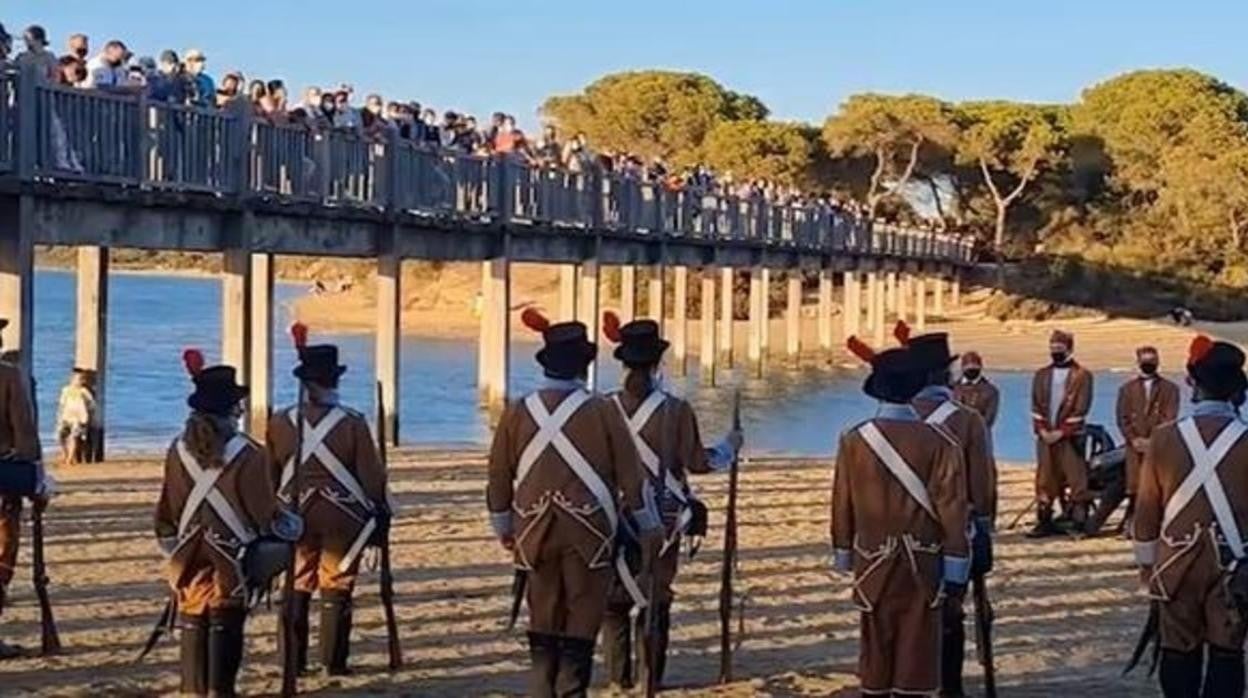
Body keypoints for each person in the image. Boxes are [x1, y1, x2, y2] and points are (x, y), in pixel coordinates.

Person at [486, 309, 659, 697]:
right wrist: (648, 525)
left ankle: (542, 688)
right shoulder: (603, 410)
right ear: (584, 365)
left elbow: (498, 475)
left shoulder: (517, 410)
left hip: (532, 527)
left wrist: (503, 527)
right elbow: (631, 478)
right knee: (583, 612)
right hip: (590, 530)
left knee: (543, 611)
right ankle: (571, 691)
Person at [598, 314, 744, 690]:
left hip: (613, 513)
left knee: (615, 600)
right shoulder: (676, 410)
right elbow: (699, 462)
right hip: (663, 516)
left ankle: (619, 679)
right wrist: (730, 446)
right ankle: (651, 678)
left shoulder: (603, 407)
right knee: (656, 598)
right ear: (657, 363)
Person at [833, 336, 970, 697]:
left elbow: (842, 503)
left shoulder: (853, 439)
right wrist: (957, 567)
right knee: (918, 648)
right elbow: (952, 510)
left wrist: (844, 551)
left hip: (871, 557)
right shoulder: (941, 442)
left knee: (875, 645)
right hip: (923, 561)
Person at [154, 351, 292, 696]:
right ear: (232, 410)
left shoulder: (176, 449)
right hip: (231, 554)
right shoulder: (250, 453)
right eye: (238, 406)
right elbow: (263, 514)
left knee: (193, 608)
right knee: (226, 612)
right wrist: (287, 521)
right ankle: (220, 690)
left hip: (187, 551)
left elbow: (166, 511)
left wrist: (174, 546)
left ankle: (192, 689)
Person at [266, 329, 388, 677]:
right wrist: (380, 511)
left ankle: (292, 661)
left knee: (297, 581)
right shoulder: (353, 422)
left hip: (294, 513)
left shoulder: (279, 422)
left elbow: (269, 475)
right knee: (337, 582)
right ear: (333, 381)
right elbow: (371, 477)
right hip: (343, 515)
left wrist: (271, 515)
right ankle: (333, 663)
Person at [1134, 336, 1248, 697]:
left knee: (1178, 652)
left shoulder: (1164, 438)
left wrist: (1146, 566)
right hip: (1233, 564)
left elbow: (1147, 509)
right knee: (1226, 653)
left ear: (1195, 385)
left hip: (1175, 561)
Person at [904, 330, 995, 697]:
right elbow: (983, 483)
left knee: (908, 611)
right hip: (954, 530)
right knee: (949, 612)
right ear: (944, 375)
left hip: (902, 530)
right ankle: (949, 687)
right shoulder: (968, 420)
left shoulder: (895, 419)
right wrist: (984, 527)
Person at [0, 318, 43, 660]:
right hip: (1, 486)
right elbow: (25, 434)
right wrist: (37, 481)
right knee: (1, 557)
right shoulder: (9, 376)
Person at [1028, 330, 1094, 538]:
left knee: (1076, 477)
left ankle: (1077, 521)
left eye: (1060, 347)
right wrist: (1043, 430)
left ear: (1069, 348)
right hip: (1046, 436)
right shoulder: (1041, 375)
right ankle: (1044, 520)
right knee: (1045, 477)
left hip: (1070, 437)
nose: (1055, 351)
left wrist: (1062, 432)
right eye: (1053, 347)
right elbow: (1036, 405)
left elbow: (1081, 408)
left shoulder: (1083, 375)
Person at [1116, 346, 1180, 533]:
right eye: (1145, 361)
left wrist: (1153, 441)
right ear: (1138, 362)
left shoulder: (1170, 389)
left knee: (1157, 485)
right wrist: (1134, 439)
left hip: (1159, 447)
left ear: (1158, 362)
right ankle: (1132, 521)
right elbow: (1122, 418)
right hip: (1134, 446)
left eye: (1152, 361)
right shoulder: (1126, 389)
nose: (1148, 364)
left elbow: (1170, 417)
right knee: (1134, 485)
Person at [56, 368, 97, 466]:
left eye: (81, 379)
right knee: (61, 437)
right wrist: (59, 416)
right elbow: (61, 404)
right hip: (66, 416)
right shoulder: (66, 390)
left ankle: (69, 459)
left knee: (73, 437)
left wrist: (87, 414)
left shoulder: (83, 391)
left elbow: (92, 404)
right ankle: (66, 454)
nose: (79, 381)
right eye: (77, 379)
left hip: (78, 418)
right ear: (71, 379)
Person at [953, 351, 1000, 428]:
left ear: (980, 367)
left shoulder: (990, 391)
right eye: (968, 367)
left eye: (974, 367)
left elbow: (988, 419)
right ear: (962, 368)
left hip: (979, 435)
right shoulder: (952, 388)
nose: (971, 369)